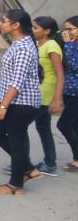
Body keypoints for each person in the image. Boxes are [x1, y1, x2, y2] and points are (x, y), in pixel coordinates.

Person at [0, 9, 41, 196]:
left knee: (17, 141)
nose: (0, 23)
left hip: (22, 104)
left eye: (4, 21)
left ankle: (15, 184)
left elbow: (17, 81)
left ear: (16, 25)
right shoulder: (18, 44)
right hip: (13, 101)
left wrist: (3, 106)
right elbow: (10, 76)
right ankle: (27, 168)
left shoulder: (24, 48)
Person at [2, 17, 64, 176]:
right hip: (37, 90)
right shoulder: (35, 44)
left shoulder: (52, 46)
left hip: (45, 92)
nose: (33, 30)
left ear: (47, 31)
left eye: (36, 28)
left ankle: (23, 163)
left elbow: (60, 73)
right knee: (42, 127)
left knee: (19, 128)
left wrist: (57, 98)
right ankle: (46, 162)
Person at [56, 15, 78, 173]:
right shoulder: (73, 44)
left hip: (76, 92)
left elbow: (75, 65)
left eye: (70, 29)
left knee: (63, 124)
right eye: (65, 29)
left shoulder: (71, 45)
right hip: (70, 91)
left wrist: (68, 45)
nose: (67, 33)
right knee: (75, 125)